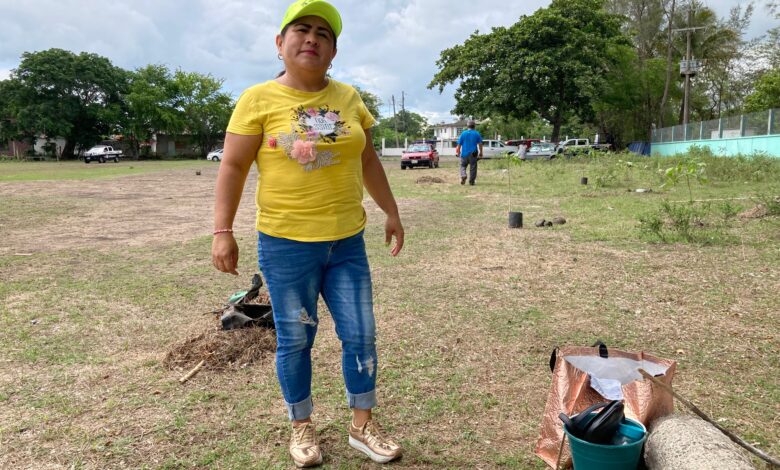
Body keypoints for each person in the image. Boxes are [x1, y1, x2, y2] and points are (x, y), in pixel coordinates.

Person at [210, 0, 404, 466]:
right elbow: (233, 166)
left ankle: (362, 425)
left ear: (334, 51)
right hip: (285, 245)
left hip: (347, 243)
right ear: (280, 43)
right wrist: (222, 230)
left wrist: (391, 212)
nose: (312, 38)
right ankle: (301, 426)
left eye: (324, 33)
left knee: (362, 334)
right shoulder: (257, 99)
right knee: (297, 339)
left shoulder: (349, 98)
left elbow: (368, 160)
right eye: (301, 29)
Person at [455, 120, 483, 185]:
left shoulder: (463, 133)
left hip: (464, 154)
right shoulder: (477, 133)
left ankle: (463, 175)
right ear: (474, 126)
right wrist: (481, 153)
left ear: (467, 126)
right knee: (473, 167)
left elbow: (459, 145)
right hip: (473, 154)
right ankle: (471, 181)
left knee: (462, 166)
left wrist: (458, 152)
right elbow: (480, 144)